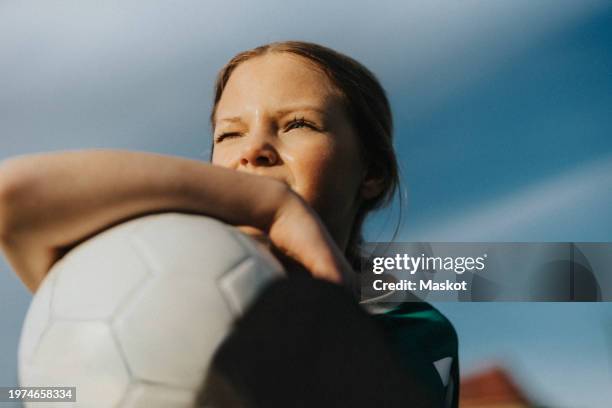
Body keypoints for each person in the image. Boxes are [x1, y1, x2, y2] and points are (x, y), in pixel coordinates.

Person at [0, 41, 458, 406]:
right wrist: (269, 202)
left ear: (372, 173)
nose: (253, 148)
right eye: (229, 133)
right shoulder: (130, 273)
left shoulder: (407, 325)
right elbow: (9, 197)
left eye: (298, 123)